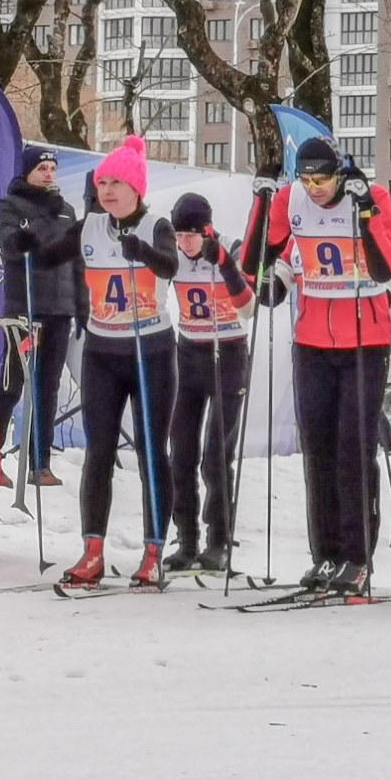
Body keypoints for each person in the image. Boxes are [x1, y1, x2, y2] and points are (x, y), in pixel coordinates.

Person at [245, 137, 391, 595]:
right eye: (306, 178)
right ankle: (326, 555)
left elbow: (385, 267)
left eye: (323, 179)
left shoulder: (373, 198)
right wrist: (263, 198)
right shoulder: (292, 198)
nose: (313, 188)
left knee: (353, 449)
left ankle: (357, 557)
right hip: (311, 340)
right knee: (318, 451)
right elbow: (255, 259)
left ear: (340, 173)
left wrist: (365, 207)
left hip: (364, 341)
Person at [61, 136, 179, 589]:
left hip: (149, 350)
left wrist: (143, 253)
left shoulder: (156, 225)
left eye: (117, 182)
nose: (107, 190)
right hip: (102, 352)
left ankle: (153, 554)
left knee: (151, 450)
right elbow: (50, 252)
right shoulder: (90, 226)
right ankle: (92, 552)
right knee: (99, 452)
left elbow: (168, 266)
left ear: (137, 188)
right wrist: (23, 243)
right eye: (102, 182)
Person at [162, 192, 254, 574]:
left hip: (228, 354)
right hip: (189, 354)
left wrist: (226, 265)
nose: (184, 243)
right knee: (180, 452)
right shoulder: (173, 252)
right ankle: (186, 540)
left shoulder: (229, 246)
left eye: (191, 235)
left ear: (207, 230)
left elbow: (249, 307)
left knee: (216, 455)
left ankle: (218, 540)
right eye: (179, 235)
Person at [0, 145, 86, 488]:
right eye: (42, 167)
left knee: (48, 388)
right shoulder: (10, 205)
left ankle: (39, 463)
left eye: (52, 168)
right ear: (28, 170)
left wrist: (81, 303)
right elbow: (7, 244)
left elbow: (77, 261)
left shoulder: (67, 211)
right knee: (12, 384)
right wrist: (21, 238)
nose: (48, 173)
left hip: (59, 311)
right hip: (24, 310)